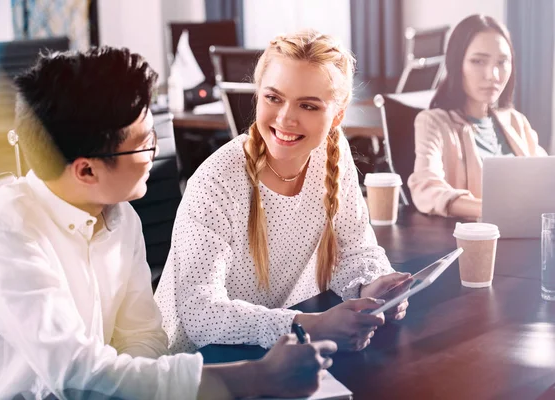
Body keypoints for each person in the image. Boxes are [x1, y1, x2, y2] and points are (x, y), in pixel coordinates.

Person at [0, 47, 338, 400]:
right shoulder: (6, 234)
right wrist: (256, 376)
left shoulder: (119, 215)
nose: (154, 153)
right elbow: (76, 373)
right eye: (143, 144)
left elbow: (142, 337)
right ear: (86, 169)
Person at [155, 30, 411, 354]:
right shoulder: (215, 182)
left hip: (275, 353)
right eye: (273, 98)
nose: (286, 118)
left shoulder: (332, 152)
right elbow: (201, 314)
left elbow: (354, 249)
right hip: (197, 366)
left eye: (308, 105)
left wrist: (373, 286)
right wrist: (307, 326)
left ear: (338, 116)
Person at [408, 14, 547, 220]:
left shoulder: (515, 122)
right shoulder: (433, 123)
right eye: (478, 61)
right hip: (474, 242)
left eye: (502, 62)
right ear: (457, 64)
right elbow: (426, 188)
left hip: (526, 237)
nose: (493, 75)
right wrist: (493, 210)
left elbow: (546, 178)